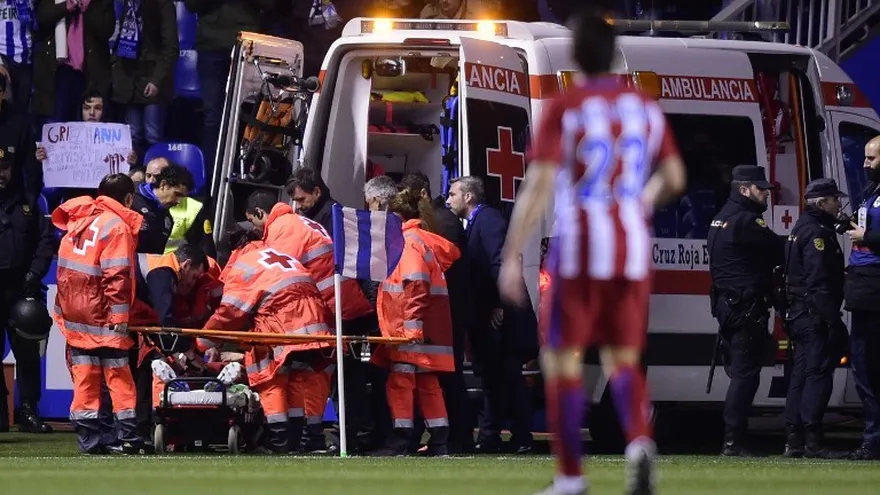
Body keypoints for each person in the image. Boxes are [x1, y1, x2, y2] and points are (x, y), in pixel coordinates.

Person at [497, 8, 687, 495]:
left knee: (561, 360)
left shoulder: (566, 105)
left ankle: (570, 477)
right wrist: (638, 202)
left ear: (577, 54)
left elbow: (539, 184)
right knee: (623, 357)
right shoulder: (643, 106)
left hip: (579, 246)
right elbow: (674, 177)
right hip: (630, 250)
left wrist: (512, 253)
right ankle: (639, 442)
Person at [243, 189, 374, 452]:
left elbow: (280, 278)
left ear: (259, 213)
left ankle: (337, 438)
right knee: (335, 378)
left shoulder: (282, 230)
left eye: (253, 221)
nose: (255, 230)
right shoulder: (299, 223)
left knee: (334, 380)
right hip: (340, 305)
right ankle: (333, 437)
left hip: (329, 309)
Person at [201, 239, 334, 454]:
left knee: (269, 378)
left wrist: (202, 342)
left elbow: (230, 312)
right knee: (300, 380)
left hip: (282, 325)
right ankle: (299, 440)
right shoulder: (282, 257)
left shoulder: (244, 264)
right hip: (316, 324)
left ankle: (279, 440)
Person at [51, 173, 150, 454]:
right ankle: (127, 438)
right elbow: (116, 276)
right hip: (103, 316)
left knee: (85, 379)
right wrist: (120, 318)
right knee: (119, 378)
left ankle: (90, 441)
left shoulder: (79, 220)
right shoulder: (116, 227)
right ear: (128, 199)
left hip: (75, 316)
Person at [446, 175, 536, 454]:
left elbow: (501, 262)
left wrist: (501, 303)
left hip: (502, 319)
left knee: (509, 377)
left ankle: (522, 437)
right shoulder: (478, 223)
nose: (448, 200)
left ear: (468, 196)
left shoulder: (489, 221)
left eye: (452, 194)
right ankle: (490, 436)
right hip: (488, 317)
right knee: (492, 378)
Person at [371, 188, 459, 456]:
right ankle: (439, 441)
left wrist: (410, 328)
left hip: (409, 330)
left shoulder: (408, 244)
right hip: (427, 329)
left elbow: (416, 283)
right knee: (427, 384)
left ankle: (400, 441)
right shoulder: (424, 241)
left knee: (401, 383)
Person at [707, 164, 785, 456]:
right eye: (760, 189)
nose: (766, 193)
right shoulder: (747, 221)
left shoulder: (722, 217)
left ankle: (734, 438)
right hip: (745, 307)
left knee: (741, 373)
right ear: (744, 190)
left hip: (728, 305)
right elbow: (780, 250)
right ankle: (733, 441)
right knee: (746, 375)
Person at [401, 171, 476, 454]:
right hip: (443, 309)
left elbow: (444, 269)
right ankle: (451, 437)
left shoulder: (441, 223)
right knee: (440, 376)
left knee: (447, 376)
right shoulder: (440, 221)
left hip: (446, 310)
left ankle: (459, 437)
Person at [783, 178, 849, 459]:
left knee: (800, 374)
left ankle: (794, 439)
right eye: (834, 199)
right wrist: (833, 321)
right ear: (821, 203)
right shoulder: (816, 233)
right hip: (814, 314)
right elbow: (819, 281)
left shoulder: (802, 226)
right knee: (818, 375)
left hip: (800, 313)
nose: (838, 204)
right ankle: (813, 441)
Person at [182, 0, 274, 180]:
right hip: (211, 48)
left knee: (245, 113)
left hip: (247, 45)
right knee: (213, 116)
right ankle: (210, 179)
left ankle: (242, 174)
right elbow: (191, 5)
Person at [0, 146, 56, 433]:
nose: (1, 174)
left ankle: (28, 411)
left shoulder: (32, 201)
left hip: (22, 287)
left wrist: (35, 273)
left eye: (4, 168)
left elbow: (46, 241)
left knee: (28, 353)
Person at [841, 134, 880, 460]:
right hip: (863, 286)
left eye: (871, 158)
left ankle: (873, 438)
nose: (865, 164)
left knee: (869, 364)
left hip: (875, 286)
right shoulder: (871, 192)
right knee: (864, 366)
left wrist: (866, 235)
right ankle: (872, 438)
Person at [110, 0, 179, 160]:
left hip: (152, 78)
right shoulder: (130, 4)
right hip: (129, 79)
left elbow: (171, 48)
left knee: (152, 136)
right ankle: (135, 173)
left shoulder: (164, 4)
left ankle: (154, 172)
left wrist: (156, 80)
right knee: (133, 136)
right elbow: (121, 38)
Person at [33, 0, 115, 124]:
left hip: (90, 71)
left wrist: (86, 6)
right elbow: (42, 17)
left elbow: (106, 29)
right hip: (59, 70)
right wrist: (66, 6)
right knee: (59, 122)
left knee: (86, 123)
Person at [138, 153, 216, 258]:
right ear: (163, 184)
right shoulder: (131, 198)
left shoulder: (172, 215)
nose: (152, 180)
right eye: (148, 175)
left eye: (156, 176)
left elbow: (205, 247)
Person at [131, 161, 194, 254]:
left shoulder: (167, 220)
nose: (179, 201)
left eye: (182, 197)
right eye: (177, 194)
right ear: (163, 185)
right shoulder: (130, 198)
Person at [285, 168, 336, 236]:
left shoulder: (333, 215)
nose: (298, 206)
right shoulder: (312, 212)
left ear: (317, 192)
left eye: (301, 200)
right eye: (295, 201)